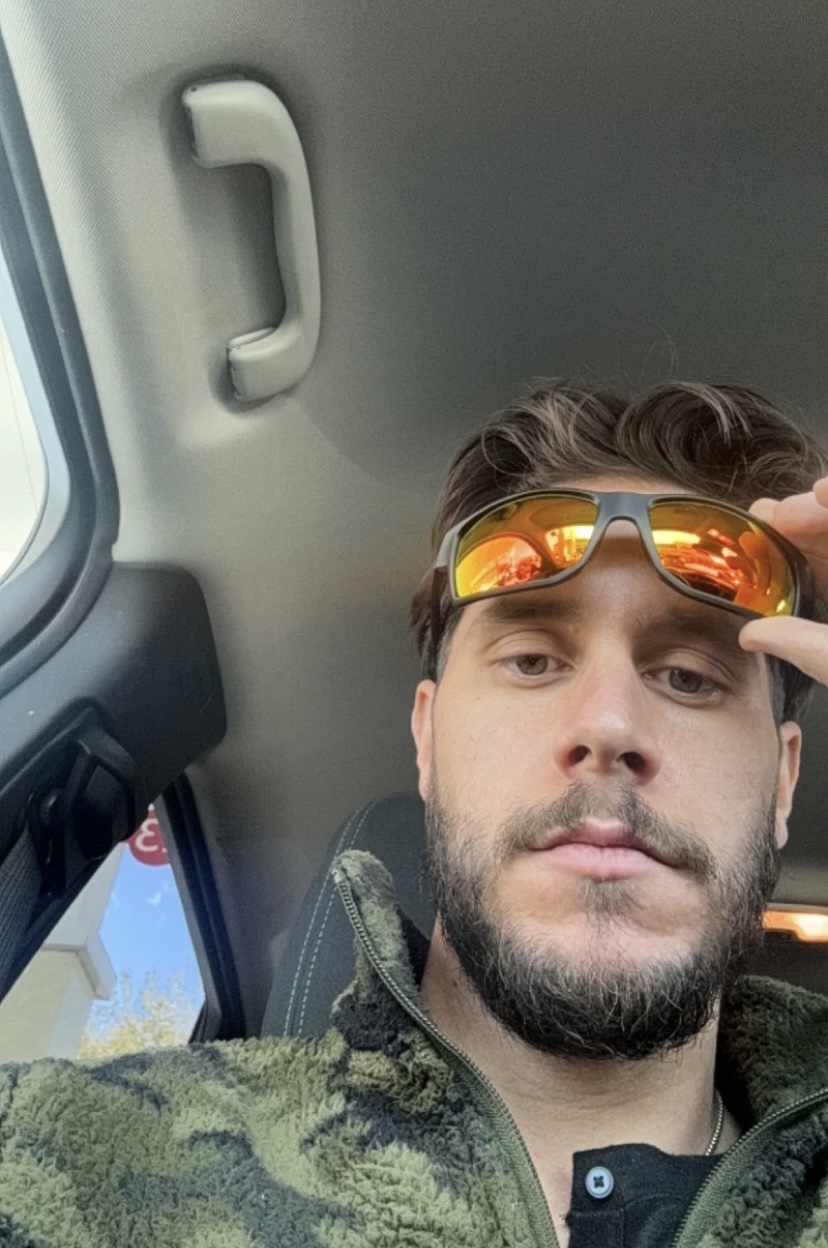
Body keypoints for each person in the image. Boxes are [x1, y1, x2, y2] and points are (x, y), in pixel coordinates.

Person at [2, 381, 828, 1248]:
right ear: (427, 740)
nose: (609, 724)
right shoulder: (72, 1166)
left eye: (690, 677)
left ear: (783, 783)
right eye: (533, 659)